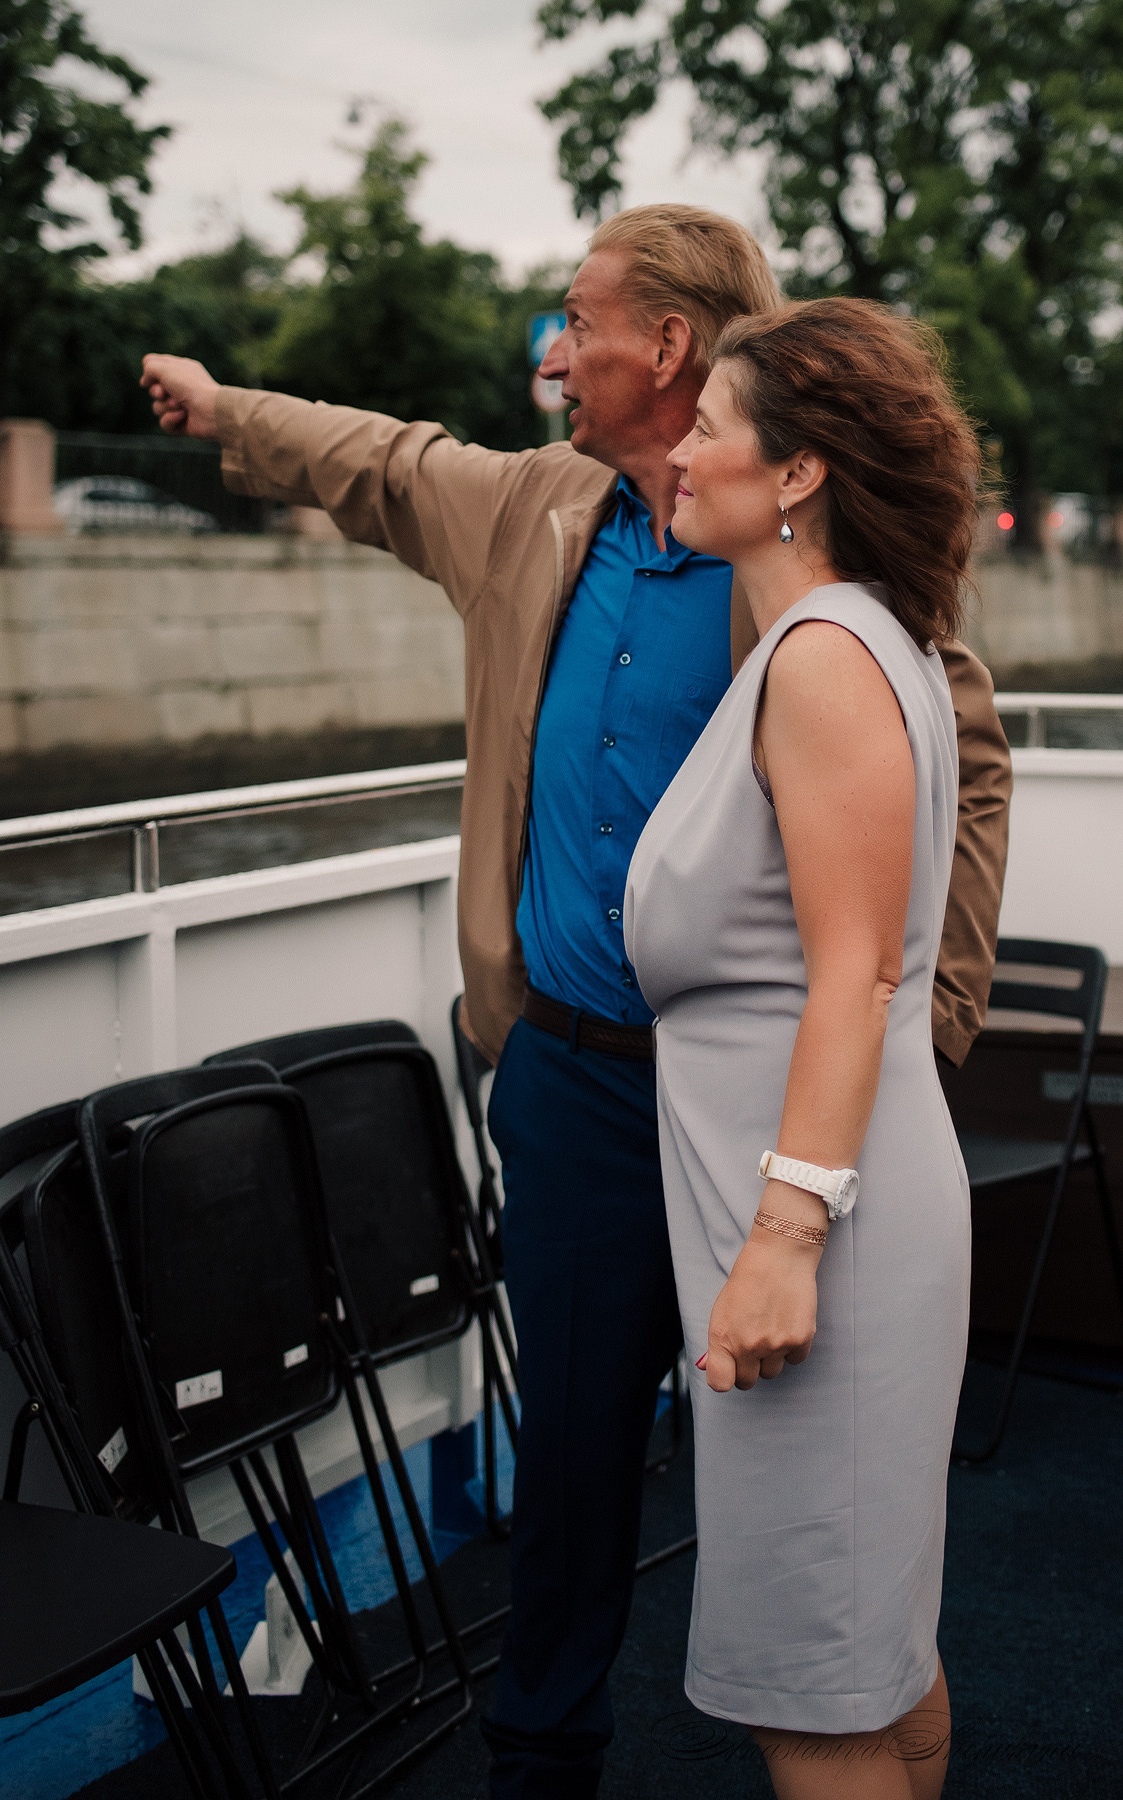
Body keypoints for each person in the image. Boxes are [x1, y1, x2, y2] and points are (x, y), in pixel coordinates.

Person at [140, 206, 1010, 1799]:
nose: (551, 347)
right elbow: (385, 461)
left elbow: (951, 787)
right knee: (575, 1454)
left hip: (766, 1114)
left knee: (808, 1520)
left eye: (574, 316)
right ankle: (544, 1757)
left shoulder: (812, 593)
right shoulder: (547, 510)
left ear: (663, 348)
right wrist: (224, 406)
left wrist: (907, 1045)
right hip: (577, 1081)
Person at [626, 297, 983, 1799]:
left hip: (816, 1241)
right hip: (824, 1215)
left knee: (816, 1699)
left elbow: (853, 977)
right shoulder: (842, 639)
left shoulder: (823, 657)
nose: (677, 451)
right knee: (871, 1661)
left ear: (795, 475)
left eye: (707, 422)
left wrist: (780, 1243)